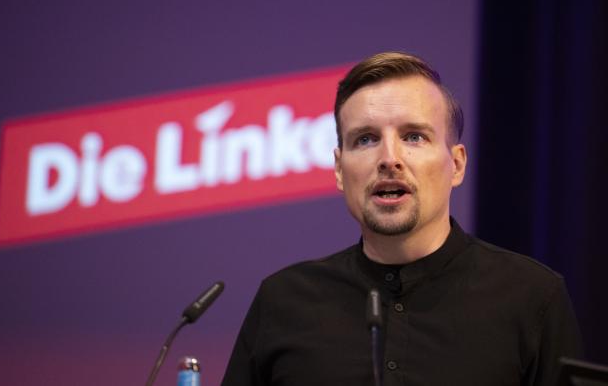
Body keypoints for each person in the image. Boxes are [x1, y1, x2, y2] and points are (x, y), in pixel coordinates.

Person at [221, 52, 582, 386]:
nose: (389, 158)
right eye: (365, 139)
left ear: (456, 165)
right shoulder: (283, 301)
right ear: (339, 170)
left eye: (413, 136)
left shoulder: (533, 297)